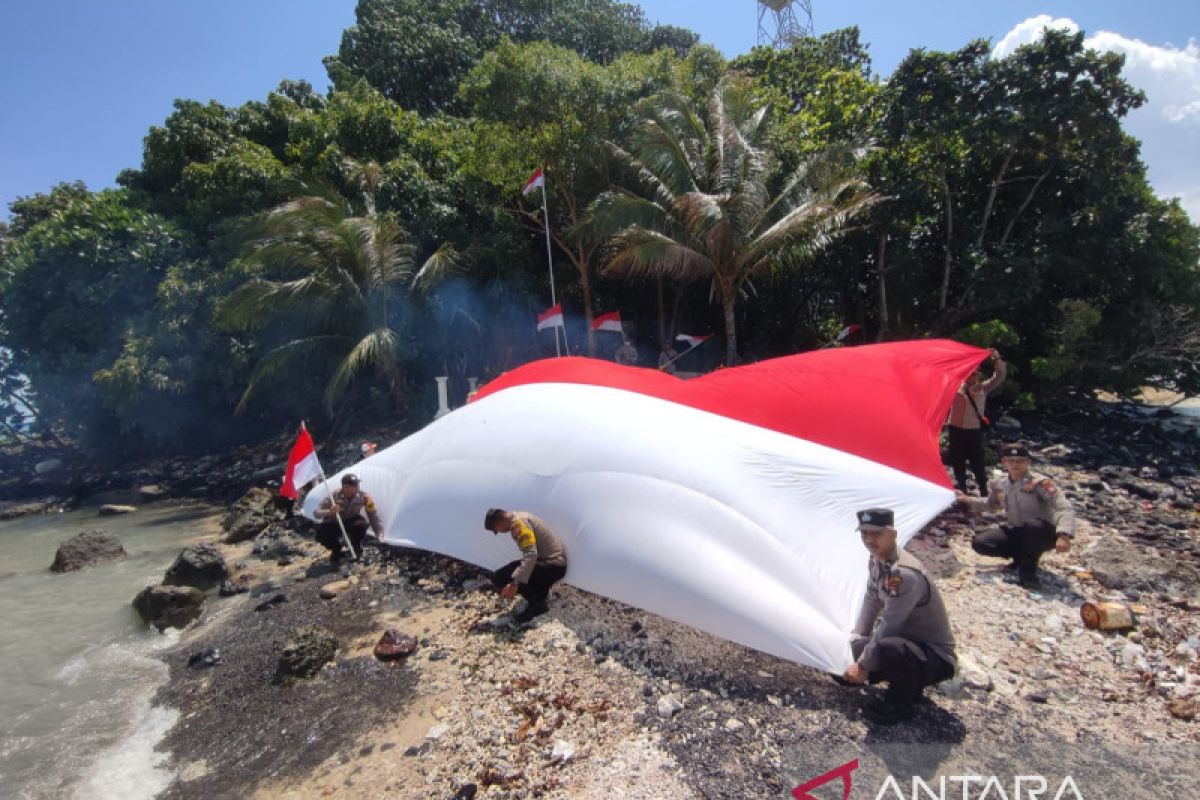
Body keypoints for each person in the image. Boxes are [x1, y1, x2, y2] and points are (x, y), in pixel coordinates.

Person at [842, 507, 957, 725]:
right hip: (909, 644)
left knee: (889, 648)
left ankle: (900, 703)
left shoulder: (903, 573)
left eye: (876, 534)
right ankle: (903, 682)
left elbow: (889, 624)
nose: (869, 539)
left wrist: (864, 666)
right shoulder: (878, 560)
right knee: (854, 647)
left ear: (893, 535)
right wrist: (859, 635)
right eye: (865, 533)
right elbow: (872, 598)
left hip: (934, 655)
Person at [957, 442, 1075, 587]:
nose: (1015, 464)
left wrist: (1064, 535)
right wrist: (967, 501)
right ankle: (1020, 557)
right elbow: (990, 504)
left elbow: (1064, 508)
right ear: (1004, 462)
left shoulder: (1039, 483)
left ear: (1028, 462)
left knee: (1033, 526)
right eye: (1011, 461)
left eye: (1020, 461)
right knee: (981, 543)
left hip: (1043, 533)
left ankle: (1028, 573)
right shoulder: (999, 483)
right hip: (1018, 530)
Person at [483, 508, 568, 623]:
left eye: (496, 530)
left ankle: (537, 604)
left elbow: (530, 556)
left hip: (552, 566)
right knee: (518, 569)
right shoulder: (520, 516)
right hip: (552, 564)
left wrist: (515, 583)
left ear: (499, 523)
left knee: (502, 576)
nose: (499, 532)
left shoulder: (518, 525)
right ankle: (539, 596)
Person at [945, 349, 1006, 495]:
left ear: (979, 375)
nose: (971, 376)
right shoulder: (954, 386)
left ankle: (983, 489)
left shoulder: (983, 388)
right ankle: (962, 486)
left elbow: (999, 376)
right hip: (955, 427)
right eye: (969, 373)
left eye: (975, 373)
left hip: (973, 429)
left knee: (976, 460)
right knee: (957, 459)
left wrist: (996, 359)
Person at [313, 474, 383, 562]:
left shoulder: (364, 496)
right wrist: (329, 511)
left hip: (351, 521)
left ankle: (356, 547)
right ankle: (336, 549)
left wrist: (379, 532)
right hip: (335, 522)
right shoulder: (334, 496)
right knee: (322, 534)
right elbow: (316, 513)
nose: (357, 487)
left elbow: (372, 515)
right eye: (354, 486)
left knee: (361, 524)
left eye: (357, 484)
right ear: (345, 487)